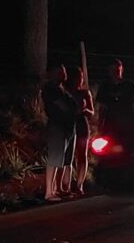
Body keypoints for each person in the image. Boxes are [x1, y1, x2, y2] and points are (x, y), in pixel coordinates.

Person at [41, 65, 78, 201]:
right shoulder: (50, 88)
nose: (63, 73)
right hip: (58, 126)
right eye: (60, 71)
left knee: (64, 159)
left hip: (68, 127)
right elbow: (65, 107)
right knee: (55, 158)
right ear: (52, 74)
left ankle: (58, 188)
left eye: (64, 70)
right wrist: (75, 109)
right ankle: (49, 192)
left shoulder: (62, 89)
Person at [68, 66, 96, 195]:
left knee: (82, 155)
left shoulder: (85, 93)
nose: (80, 80)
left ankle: (79, 184)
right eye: (78, 78)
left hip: (82, 125)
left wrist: (85, 111)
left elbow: (92, 112)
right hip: (69, 124)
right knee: (68, 155)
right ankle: (67, 183)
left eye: (81, 78)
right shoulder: (66, 92)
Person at [95, 59, 134, 131]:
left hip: (126, 122)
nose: (115, 72)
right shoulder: (104, 86)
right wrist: (100, 124)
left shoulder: (129, 85)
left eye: (117, 70)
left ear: (121, 70)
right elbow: (102, 107)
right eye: (112, 70)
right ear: (109, 71)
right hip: (110, 123)